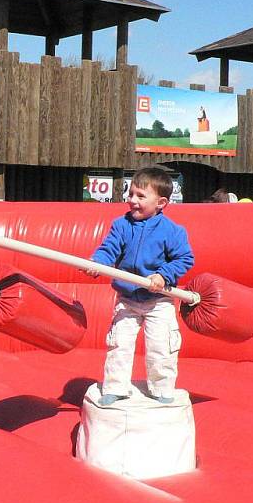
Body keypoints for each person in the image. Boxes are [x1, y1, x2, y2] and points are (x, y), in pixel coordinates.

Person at [85, 167, 194, 406]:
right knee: (119, 344)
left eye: (140, 196)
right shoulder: (121, 225)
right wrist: (98, 263)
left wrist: (163, 275)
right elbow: (109, 249)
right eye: (130, 193)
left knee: (160, 347)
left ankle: (162, 388)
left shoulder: (172, 231)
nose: (132, 200)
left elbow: (184, 259)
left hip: (159, 300)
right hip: (127, 299)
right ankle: (116, 387)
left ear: (161, 203)